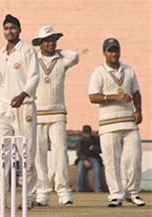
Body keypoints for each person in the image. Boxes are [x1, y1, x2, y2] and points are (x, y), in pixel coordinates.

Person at [0, 14, 40, 209]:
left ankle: (29, 195)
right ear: (3, 31)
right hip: (3, 107)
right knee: (1, 153)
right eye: (6, 28)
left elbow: (34, 76)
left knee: (27, 153)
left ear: (19, 30)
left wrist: (23, 94)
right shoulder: (0, 54)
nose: (10, 31)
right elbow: (1, 82)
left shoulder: (27, 51)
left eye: (13, 28)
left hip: (24, 106)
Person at [88, 38, 145, 207]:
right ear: (104, 53)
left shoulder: (129, 70)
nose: (113, 54)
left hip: (129, 122)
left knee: (134, 158)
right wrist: (114, 97)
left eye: (116, 50)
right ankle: (116, 194)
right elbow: (92, 97)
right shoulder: (98, 72)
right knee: (112, 161)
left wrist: (138, 110)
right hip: (108, 123)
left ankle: (133, 192)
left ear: (120, 51)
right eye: (110, 51)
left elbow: (136, 92)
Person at [31, 25, 79, 206]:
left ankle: (63, 191)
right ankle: (43, 192)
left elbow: (75, 56)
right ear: (40, 43)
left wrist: (57, 50)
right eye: (47, 40)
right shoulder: (34, 60)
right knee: (39, 155)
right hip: (37, 113)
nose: (51, 43)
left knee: (60, 153)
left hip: (58, 113)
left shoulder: (62, 60)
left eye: (53, 40)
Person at [75, 125, 103, 192]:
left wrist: (94, 148)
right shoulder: (80, 141)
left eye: (89, 133)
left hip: (94, 157)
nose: (88, 135)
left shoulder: (96, 139)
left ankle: (98, 188)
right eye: (86, 134)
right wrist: (85, 160)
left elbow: (101, 150)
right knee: (80, 169)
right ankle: (79, 188)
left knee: (97, 168)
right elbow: (79, 152)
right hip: (83, 159)